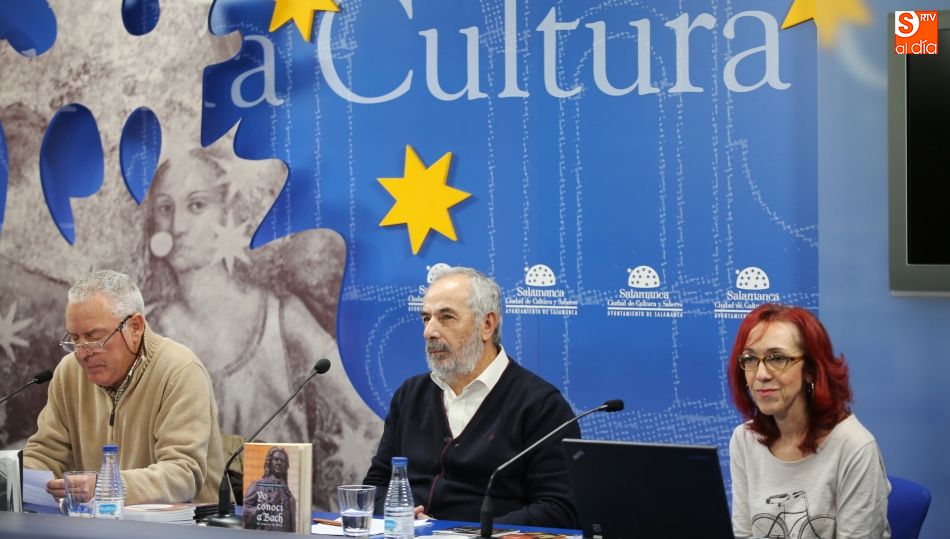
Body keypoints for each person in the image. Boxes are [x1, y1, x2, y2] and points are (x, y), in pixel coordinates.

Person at [142, 148, 382, 508]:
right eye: (165, 208)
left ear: (228, 212)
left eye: (196, 205)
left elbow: (370, 422)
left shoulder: (281, 318)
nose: (176, 226)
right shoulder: (146, 332)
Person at [362, 266, 579, 528]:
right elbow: (375, 487)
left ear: (487, 325)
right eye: (426, 318)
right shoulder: (410, 395)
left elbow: (560, 509)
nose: (429, 331)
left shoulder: (540, 405)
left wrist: (469, 533)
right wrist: (404, 513)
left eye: (446, 317)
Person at [23, 270, 226, 504]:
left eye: (94, 337)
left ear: (135, 327)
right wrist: (13, 478)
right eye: (74, 339)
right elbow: (45, 454)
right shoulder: (69, 372)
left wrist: (106, 486)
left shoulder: (180, 371)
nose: (81, 352)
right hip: (95, 525)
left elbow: (183, 475)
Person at [727, 304, 890, 539]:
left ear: (811, 370)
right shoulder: (744, 440)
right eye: (751, 359)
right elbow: (743, 534)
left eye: (777, 358)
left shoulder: (855, 447)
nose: (761, 374)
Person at [243, 446, 296, 531]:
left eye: (282, 461)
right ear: (269, 462)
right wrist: (269, 504)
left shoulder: (288, 493)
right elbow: (246, 514)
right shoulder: (258, 485)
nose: (279, 463)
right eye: (276, 459)